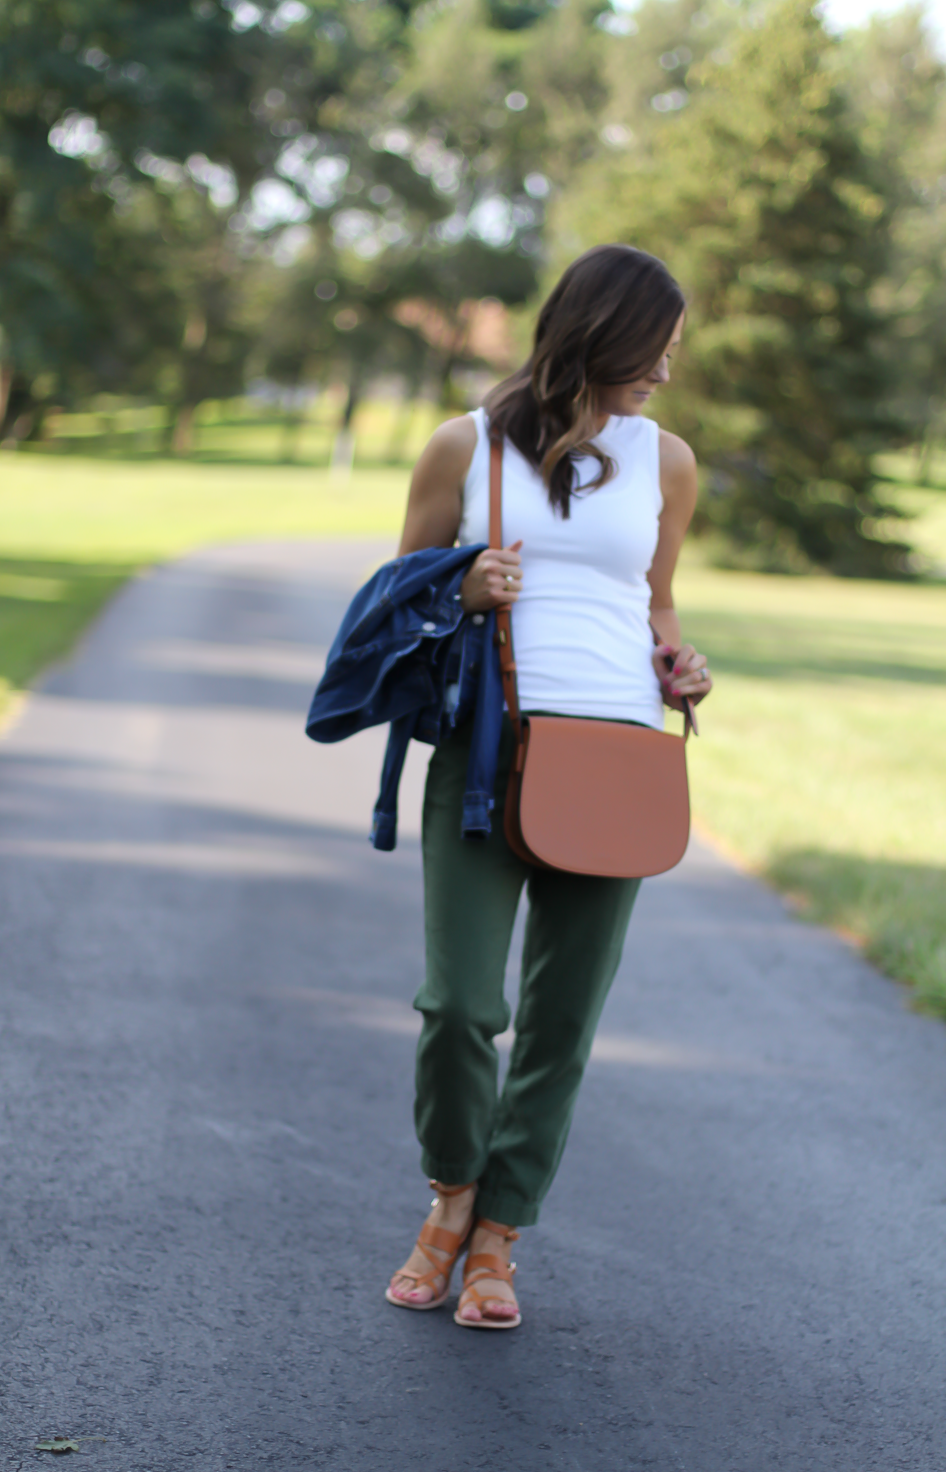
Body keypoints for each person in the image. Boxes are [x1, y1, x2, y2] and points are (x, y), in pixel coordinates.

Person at [385, 244, 713, 1330]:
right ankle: (451, 1194)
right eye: (651, 350)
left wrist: (679, 660)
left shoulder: (666, 459)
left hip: (616, 757)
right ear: (596, 335)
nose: (664, 373)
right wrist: (464, 585)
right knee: (460, 1007)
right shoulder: (463, 449)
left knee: (563, 1021)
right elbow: (396, 603)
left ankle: (496, 1239)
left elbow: (655, 601)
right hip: (486, 755)